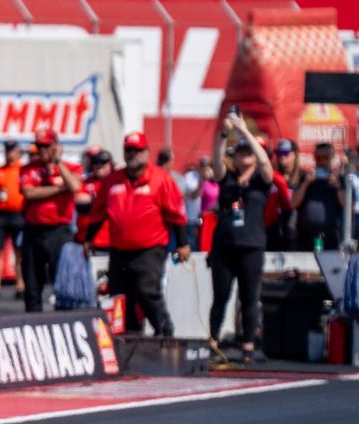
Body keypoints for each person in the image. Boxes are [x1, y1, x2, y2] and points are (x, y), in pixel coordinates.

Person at [81, 131, 189, 336]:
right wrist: (88, 239)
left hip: (150, 248)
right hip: (119, 249)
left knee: (146, 290)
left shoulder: (160, 179)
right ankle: (129, 336)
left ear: (147, 152)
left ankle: (164, 330)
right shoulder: (113, 180)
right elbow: (98, 213)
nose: (132, 154)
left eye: (137, 150)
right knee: (119, 296)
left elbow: (177, 213)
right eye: (128, 150)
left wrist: (183, 243)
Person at [205, 115, 273, 364]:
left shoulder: (260, 182)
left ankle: (248, 345)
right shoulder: (228, 179)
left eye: (247, 152)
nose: (243, 155)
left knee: (249, 297)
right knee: (221, 296)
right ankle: (213, 339)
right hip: (225, 244)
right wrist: (224, 135)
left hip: (251, 245)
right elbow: (216, 162)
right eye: (239, 152)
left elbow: (267, 166)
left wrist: (246, 132)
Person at [19, 127, 82, 312]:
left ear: (55, 145)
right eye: (39, 146)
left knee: (61, 281)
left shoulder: (71, 168)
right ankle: (32, 323)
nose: (42, 150)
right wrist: (59, 190)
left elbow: (74, 186)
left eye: (46, 146)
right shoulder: (29, 168)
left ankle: (63, 321)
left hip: (59, 231)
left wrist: (58, 163)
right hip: (33, 230)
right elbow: (29, 193)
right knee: (32, 283)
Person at [0, 140, 25, 298]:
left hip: (18, 215)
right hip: (0, 215)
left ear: (18, 152)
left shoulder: (23, 170)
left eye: (12, 150)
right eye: (7, 150)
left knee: (19, 251)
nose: (9, 153)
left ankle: (20, 284)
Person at [292, 142, 344, 251]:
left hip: (330, 235)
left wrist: (338, 187)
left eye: (325, 157)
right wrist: (305, 184)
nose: (321, 161)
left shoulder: (340, 179)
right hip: (306, 235)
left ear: (332, 158)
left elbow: (346, 205)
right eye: (318, 157)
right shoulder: (304, 178)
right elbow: (293, 203)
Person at [75, 148, 114, 253]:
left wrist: (92, 201)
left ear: (111, 164)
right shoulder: (86, 182)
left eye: (103, 162)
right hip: (84, 240)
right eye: (96, 162)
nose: (99, 165)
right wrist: (102, 202)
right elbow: (79, 200)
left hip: (110, 241)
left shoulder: (116, 181)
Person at [268, 139, 301, 250]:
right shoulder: (272, 176)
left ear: (295, 155)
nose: (282, 157)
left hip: (295, 229)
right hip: (274, 228)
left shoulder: (303, 177)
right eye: (279, 153)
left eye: (285, 153)